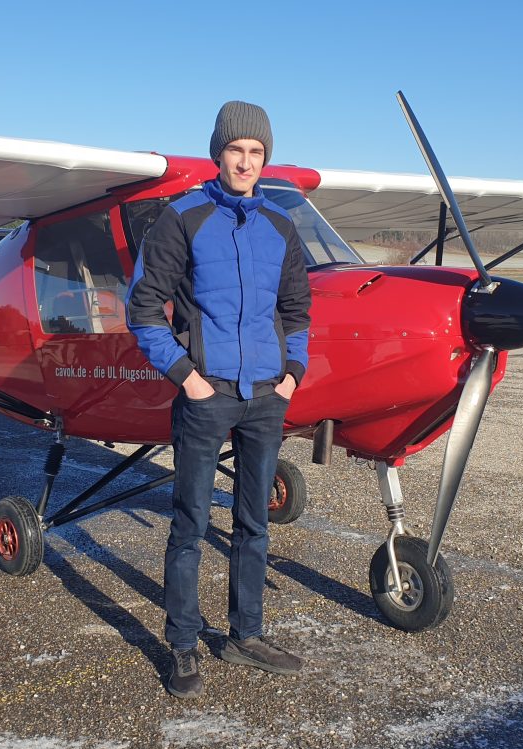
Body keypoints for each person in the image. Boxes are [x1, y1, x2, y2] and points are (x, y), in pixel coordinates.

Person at [127, 100, 312, 698]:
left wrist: (291, 376)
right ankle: (182, 643)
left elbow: (297, 312)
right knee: (191, 523)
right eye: (237, 150)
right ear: (219, 152)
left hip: (265, 397)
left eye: (257, 152)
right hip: (206, 396)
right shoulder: (182, 218)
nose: (247, 161)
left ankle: (245, 635)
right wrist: (186, 376)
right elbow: (143, 309)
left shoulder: (281, 227)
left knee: (254, 525)